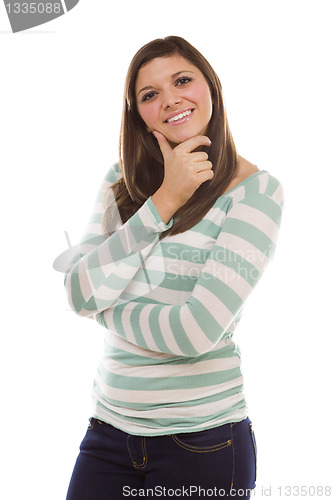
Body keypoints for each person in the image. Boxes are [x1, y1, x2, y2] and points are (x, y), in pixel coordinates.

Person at [63, 36, 284, 500]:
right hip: (107, 433)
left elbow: (194, 332)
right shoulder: (120, 179)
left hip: (203, 444)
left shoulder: (255, 192)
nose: (170, 100)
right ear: (137, 113)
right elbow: (80, 291)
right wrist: (163, 201)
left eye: (182, 80)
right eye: (150, 94)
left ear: (211, 88)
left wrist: (105, 309)